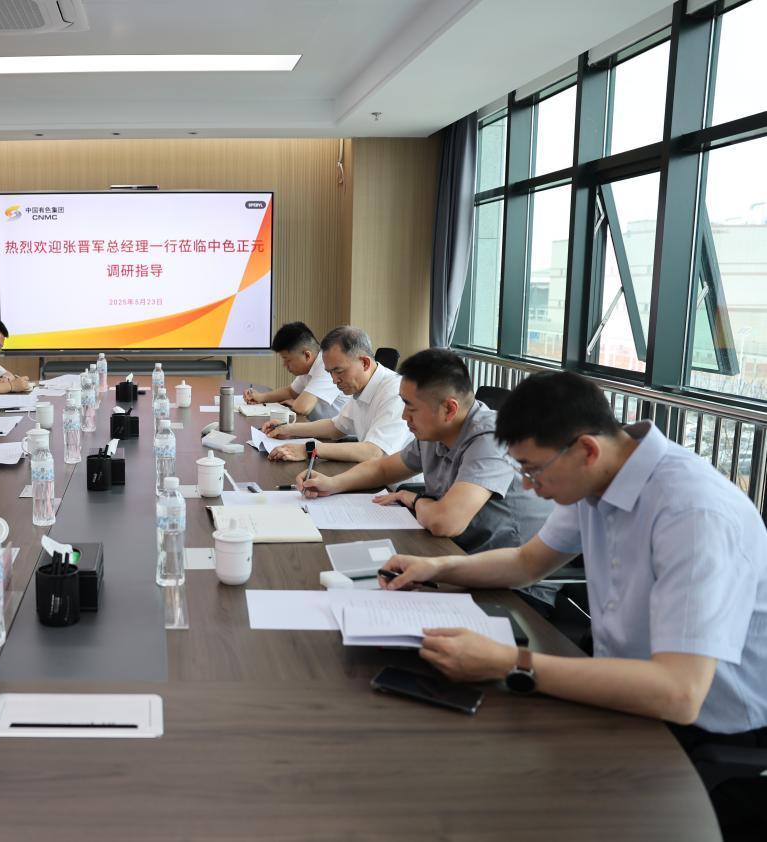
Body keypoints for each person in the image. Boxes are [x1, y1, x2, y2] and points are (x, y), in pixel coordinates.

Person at [380, 370, 766, 838]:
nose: (528, 487)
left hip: (703, 730)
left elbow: (679, 693)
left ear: (586, 449)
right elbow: (526, 562)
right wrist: (436, 568)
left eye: (532, 470)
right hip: (621, 689)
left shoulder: (692, 512)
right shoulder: (598, 477)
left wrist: (509, 662)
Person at [297, 348, 551, 553]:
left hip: (507, 579)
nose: (404, 416)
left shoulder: (491, 439)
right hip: (455, 553)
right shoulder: (434, 432)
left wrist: (413, 498)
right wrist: (332, 483)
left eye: (411, 407)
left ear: (449, 409)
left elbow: (445, 522)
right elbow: (383, 469)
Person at [261, 325, 410, 463]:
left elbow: (374, 452)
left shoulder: (396, 391)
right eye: (330, 372)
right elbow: (335, 427)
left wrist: (309, 449)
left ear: (365, 363)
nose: (334, 380)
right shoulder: (361, 387)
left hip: (395, 481)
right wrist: (286, 428)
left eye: (338, 371)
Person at [243, 321, 346, 421]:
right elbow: (291, 392)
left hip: (336, 432)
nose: (284, 365)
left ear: (307, 355)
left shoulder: (326, 366)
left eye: (287, 360)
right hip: (316, 425)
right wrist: (261, 397)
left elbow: (302, 408)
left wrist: (295, 402)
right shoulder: (308, 368)